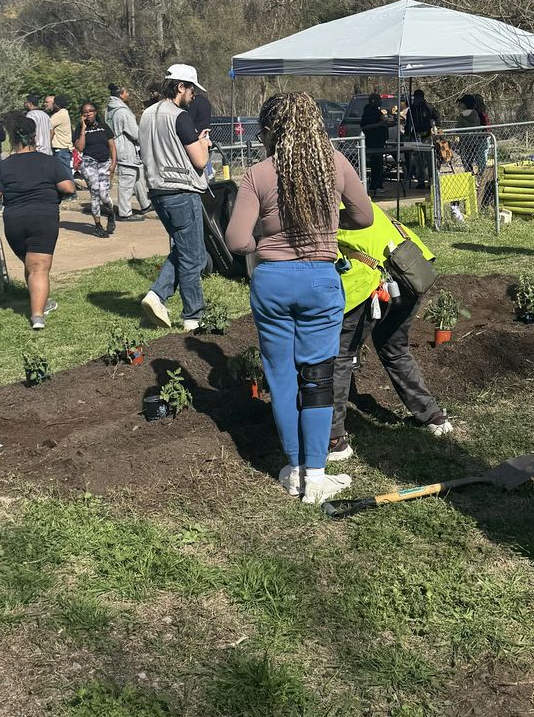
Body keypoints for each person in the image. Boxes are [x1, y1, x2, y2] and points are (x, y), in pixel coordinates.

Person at [225, 92, 374, 504]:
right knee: (318, 378)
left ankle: (292, 468)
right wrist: (324, 220)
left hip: (271, 282)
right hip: (320, 283)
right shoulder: (335, 164)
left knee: (281, 377)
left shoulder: (257, 174)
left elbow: (237, 240)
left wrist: (266, 240)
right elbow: (365, 217)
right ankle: (316, 472)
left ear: (270, 131)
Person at [328, 202, 451, 462]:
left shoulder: (323, 209)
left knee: (339, 356)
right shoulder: (355, 197)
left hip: (375, 282)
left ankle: (334, 439)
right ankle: (434, 417)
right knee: (393, 347)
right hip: (412, 271)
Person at [0, 116, 75, 328]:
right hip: (43, 218)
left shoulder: (3, 166)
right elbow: (68, 188)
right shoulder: (49, 161)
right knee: (38, 268)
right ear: (34, 138)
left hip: (14, 220)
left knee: (31, 263)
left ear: (12, 140)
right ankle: (38, 315)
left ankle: (39, 302)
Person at [138, 64, 212, 331]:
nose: (193, 95)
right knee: (193, 257)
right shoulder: (180, 117)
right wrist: (204, 141)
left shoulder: (145, 115)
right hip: (182, 190)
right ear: (180, 87)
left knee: (187, 250)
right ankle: (192, 315)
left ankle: (157, 295)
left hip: (157, 191)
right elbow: (200, 161)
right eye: (191, 89)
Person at [106, 84, 153, 219]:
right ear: (121, 95)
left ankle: (145, 205)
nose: (128, 95)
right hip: (126, 150)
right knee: (127, 181)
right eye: (126, 92)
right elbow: (135, 133)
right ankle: (125, 213)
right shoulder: (123, 112)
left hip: (117, 147)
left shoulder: (109, 109)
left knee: (138, 178)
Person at [74, 102, 118, 236]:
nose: (88, 114)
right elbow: (80, 148)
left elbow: (112, 146)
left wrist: (113, 164)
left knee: (104, 195)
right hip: (89, 163)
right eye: (85, 112)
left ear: (96, 112)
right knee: (95, 192)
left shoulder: (104, 127)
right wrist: (82, 129)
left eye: (90, 111)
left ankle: (110, 214)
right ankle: (98, 225)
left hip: (104, 163)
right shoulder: (79, 129)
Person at [360, 93, 390, 194]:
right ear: (373, 101)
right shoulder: (368, 112)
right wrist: (379, 124)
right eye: (378, 100)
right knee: (376, 164)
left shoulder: (378, 111)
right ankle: (375, 185)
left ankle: (378, 184)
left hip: (380, 141)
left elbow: (383, 122)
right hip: (373, 142)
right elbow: (364, 127)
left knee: (379, 164)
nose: (380, 101)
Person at [46, 95, 74, 182]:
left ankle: (71, 193)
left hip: (61, 148)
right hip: (63, 149)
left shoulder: (59, 115)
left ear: (56, 104)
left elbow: (47, 126)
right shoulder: (64, 113)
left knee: (64, 172)